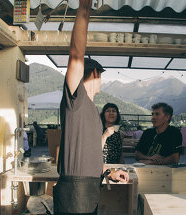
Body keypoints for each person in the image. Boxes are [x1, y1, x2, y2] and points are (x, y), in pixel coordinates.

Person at [54, 1, 129, 214]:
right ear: (96, 74)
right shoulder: (76, 99)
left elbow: (89, 156)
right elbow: (76, 52)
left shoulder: (92, 109)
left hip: (88, 190)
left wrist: (107, 174)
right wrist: (84, 9)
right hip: (74, 193)